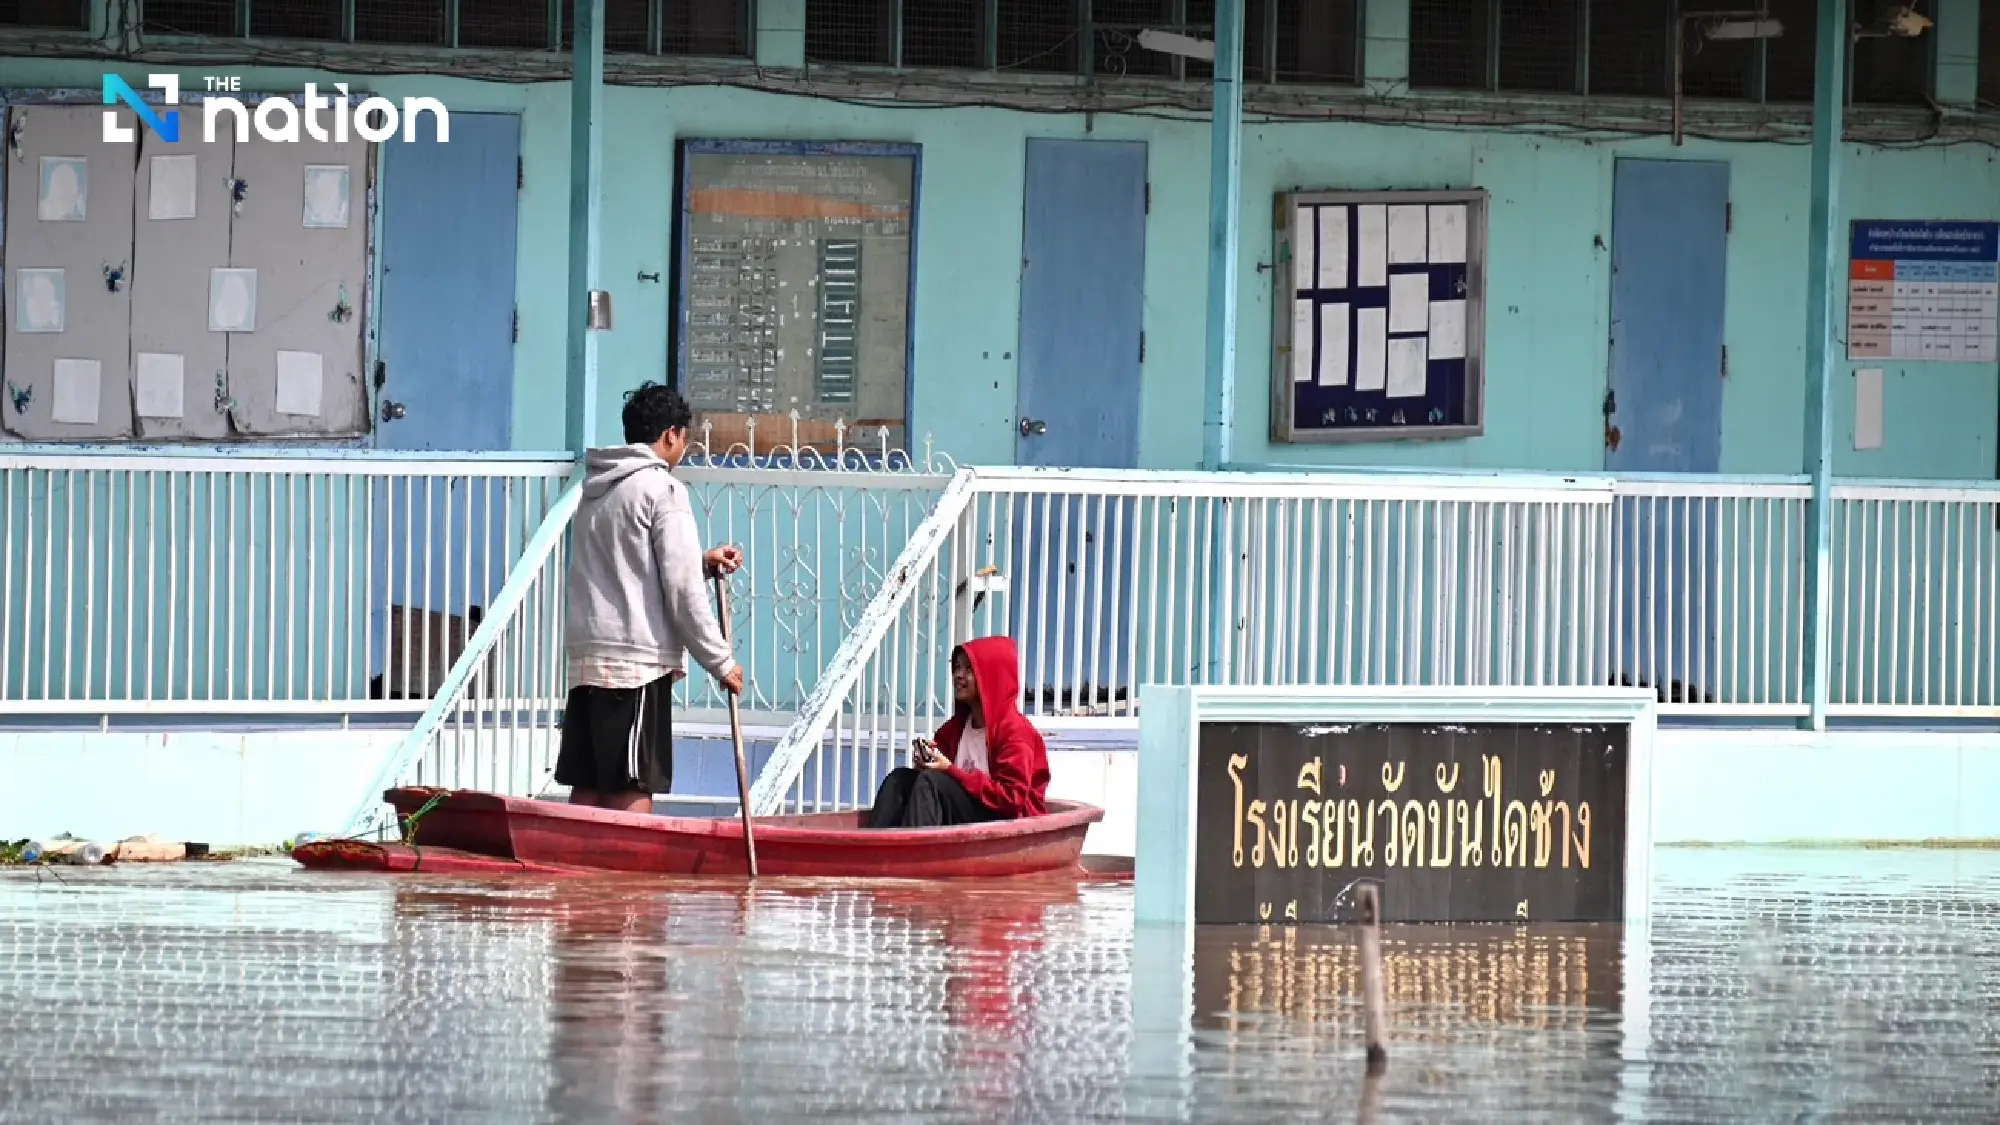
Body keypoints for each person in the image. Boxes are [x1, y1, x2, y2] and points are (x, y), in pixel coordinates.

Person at [559, 382, 743, 814]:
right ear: (671, 435)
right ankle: (625, 864)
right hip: (635, 666)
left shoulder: (597, 489)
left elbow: (629, 562)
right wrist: (721, 661)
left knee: (589, 785)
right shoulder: (663, 490)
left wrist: (702, 561)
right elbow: (683, 590)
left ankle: (575, 860)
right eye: (685, 439)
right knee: (632, 785)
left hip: (589, 662)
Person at [867, 636, 1049, 828]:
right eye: (957, 667)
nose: (958, 675)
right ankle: (873, 845)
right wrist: (926, 763)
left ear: (991, 676)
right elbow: (937, 785)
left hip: (1005, 823)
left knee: (932, 782)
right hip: (963, 816)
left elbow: (1011, 798)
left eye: (969, 668)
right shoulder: (954, 729)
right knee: (900, 779)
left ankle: (915, 848)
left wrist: (949, 770)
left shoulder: (1016, 732)